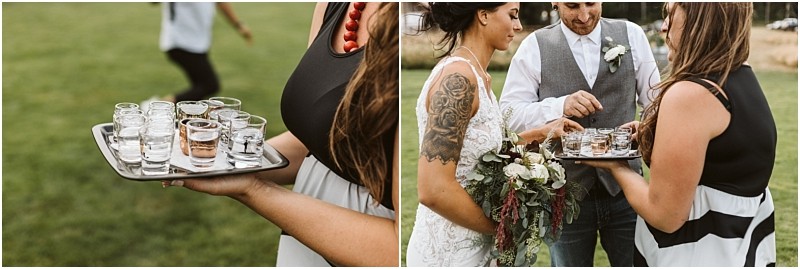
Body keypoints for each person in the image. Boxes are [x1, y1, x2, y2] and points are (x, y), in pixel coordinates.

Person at [163, 2, 399, 266]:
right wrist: (220, 162)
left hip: (361, 241)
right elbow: (318, 142)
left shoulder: (419, 25)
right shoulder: (332, 5)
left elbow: (398, 250)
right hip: (305, 232)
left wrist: (252, 189)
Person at [579, 2, 776, 266]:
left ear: (699, 20)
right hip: (740, 249)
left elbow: (664, 216)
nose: (663, 27)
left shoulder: (690, 95)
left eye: (671, 15)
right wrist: (655, 135)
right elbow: (725, 152)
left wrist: (616, 166)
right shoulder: (739, 76)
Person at [405, 3, 582, 266]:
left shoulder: (479, 77)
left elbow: (486, 152)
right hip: (450, 252)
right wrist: (500, 226)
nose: (518, 26)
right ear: (483, 15)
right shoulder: (458, 80)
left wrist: (544, 133)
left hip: (478, 247)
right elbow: (434, 189)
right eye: (512, 15)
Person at [499, 2, 661, 267]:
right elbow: (509, 114)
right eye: (573, 6)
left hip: (626, 192)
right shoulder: (534, 46)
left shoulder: (631, 34)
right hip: (564, 196)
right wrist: (558, 106)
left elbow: (656, 104)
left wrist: (644, 127)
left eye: (591, 3)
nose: (584, 16)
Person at [144, 2, 253, 107]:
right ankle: (158, 108)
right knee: (209, 85)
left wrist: (239, 25)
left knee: (200, 88)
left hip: (198, 41)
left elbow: (221, 3)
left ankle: (183, 118)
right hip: (180, 41)